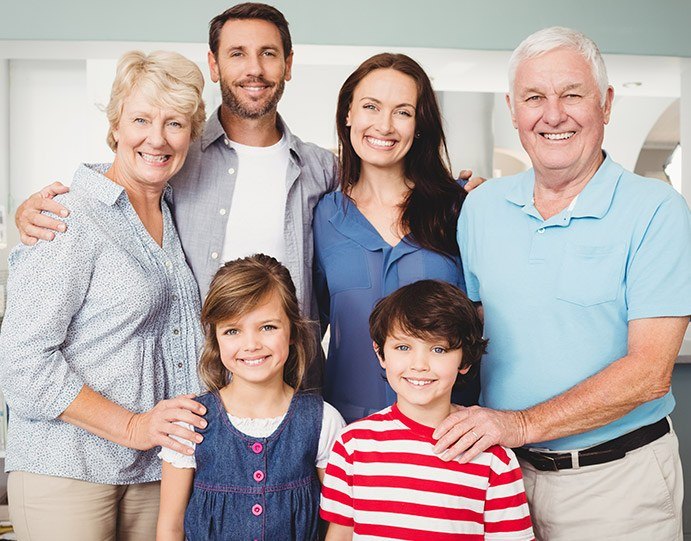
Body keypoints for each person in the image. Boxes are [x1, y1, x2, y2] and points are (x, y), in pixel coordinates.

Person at [14, 4, 482, 325]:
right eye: (237, 54)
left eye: (268, 54)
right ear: (214, 66)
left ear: (289, 65)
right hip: (192, 387)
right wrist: (37, 208)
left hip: (296, 390)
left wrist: (468, 195)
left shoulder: (324, 170)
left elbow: (388, 179)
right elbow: (125, 176)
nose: (253, 69)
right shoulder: (176, 156)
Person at [437, 27, 691, 540]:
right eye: (535, 97)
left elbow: (649, 373)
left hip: (617, 486)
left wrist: (522, 425)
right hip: (500, 478)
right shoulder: (481, 209)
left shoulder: (657, 211)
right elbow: (478, 332)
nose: (553, 115)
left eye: (572, 94)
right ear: (513, 109)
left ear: (607, 103)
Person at [0, 51, 209, 541]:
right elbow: (22, 362)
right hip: (67, 466)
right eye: (141, 119)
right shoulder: (68, 218)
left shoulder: (179, 216)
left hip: (155, 471)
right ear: (115, 125)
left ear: (191, 136)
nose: (156, 138)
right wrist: (133, 426)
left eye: (175, 123)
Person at [314, 53, 480, 423]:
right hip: (350, 430)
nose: (384, 125)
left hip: (450, 429)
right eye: (371, 107)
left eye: (403, 112)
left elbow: (487, 320)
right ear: (348, 114)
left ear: (419, 125)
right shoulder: (323, 216)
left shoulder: (460, 209)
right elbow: (309, 328)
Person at [319, 280, 534, 540]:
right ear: (381, 353)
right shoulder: (352, 445)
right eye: (403, 347)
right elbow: (341, 533)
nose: (419, 364)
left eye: (438, 349)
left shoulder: (493, 458)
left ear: (465, 359)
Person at [156, 254, 345, 541]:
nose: (251, 345)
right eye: (232, 330)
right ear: (216, 340)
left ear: (292, 330)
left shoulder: (324, 421)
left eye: (268, 327)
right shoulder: (190, 422)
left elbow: (342, 521)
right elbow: (171, 527)